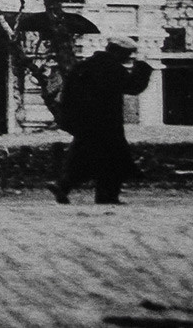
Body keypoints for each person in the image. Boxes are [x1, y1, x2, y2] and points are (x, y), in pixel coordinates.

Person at [49, 37, 153, 205]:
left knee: (83, 158)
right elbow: (133, 87)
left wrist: (71, 120)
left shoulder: (84, 65)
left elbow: (67, 94)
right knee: (113, 159)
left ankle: (63, 185)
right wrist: (142, 66)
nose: (127, 58)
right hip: (107, 124)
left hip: (84, 124)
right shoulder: (112, 68)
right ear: (117, 51)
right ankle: (106, 196)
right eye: (127, 54)